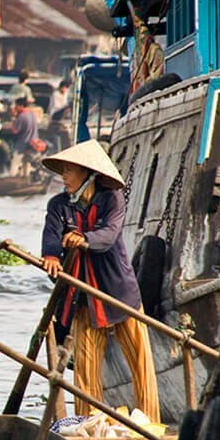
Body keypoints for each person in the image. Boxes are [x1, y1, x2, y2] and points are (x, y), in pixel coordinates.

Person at [39, 141, 161, 423]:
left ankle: (150, 421)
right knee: (85, 366)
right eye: (63, 170)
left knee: (140, 360)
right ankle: (88, 423)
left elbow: (108, 235)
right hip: (82, 294)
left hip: (118, 289)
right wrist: (51, 256)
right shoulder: (59, 205)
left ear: (88, 173)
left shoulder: (111, 200)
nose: (64, 176)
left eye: (69, 170)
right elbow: (51, 236)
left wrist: (83, 238)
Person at [9, 97, 39, 175]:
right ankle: (25, 179)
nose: (15, 108)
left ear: (21, 106)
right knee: (26, 165)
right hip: (32, 143)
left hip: (22, 144)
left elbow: (15, 131)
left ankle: (11, 179)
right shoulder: (32, 114)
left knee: (15, 163)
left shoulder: (21, 117)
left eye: (16, 106)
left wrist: (13, 119)